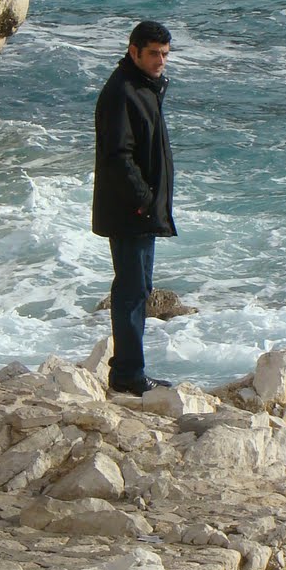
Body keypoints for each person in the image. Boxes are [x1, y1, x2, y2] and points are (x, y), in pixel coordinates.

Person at [92, 20, 176, 395]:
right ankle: (128, 373)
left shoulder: (145, 87)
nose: (161, 61)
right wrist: (143, 200)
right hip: (130, 212)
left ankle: (131, 369)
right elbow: (118, 156)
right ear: (134, 52)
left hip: (139, 211)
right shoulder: (122, 92)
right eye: (154, 53)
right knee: (130, 291)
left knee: (139, 289)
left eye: (165, 54)